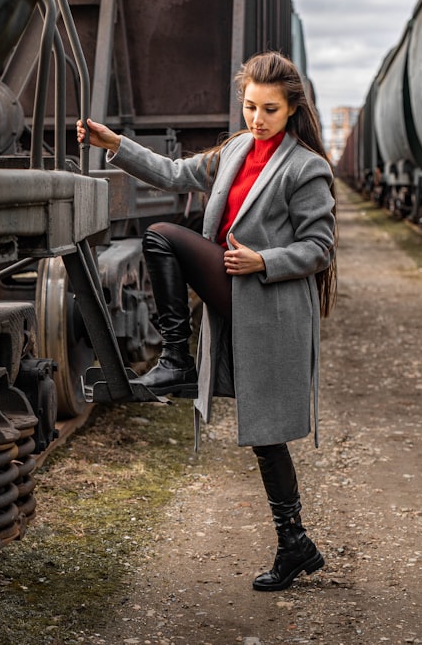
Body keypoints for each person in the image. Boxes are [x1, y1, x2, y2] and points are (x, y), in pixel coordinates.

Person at [76, 51, 336, 592]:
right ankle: (296, 544)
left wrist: (264, 260)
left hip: (269, 304)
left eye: (269, 109)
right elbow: (174, 172)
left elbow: (320, 247)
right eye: (249, 107)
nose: (257, 119)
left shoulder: (306, 167)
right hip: (238, 294)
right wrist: (114, 145)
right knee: (265, 436)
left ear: (291, 111)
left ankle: (175, 360)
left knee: (163, 236)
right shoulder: (238, 149)